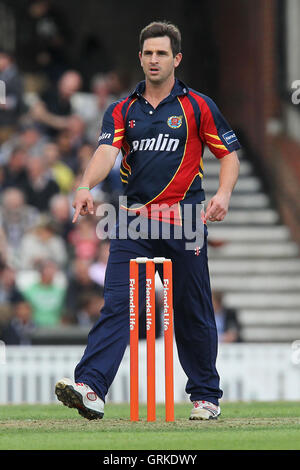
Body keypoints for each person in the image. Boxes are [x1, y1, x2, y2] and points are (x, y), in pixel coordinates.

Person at [55, 21, 240, 421]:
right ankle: (90, 388)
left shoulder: (198, 106)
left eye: (162, 53)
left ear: (176, 59)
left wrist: (223, 195)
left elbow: (228, 156)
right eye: (148, 53)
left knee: (191, 309)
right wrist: (85, 185)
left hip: (185, 219)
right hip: (132, 222)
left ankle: (206, 396)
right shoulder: (122, 109)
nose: (154, 60)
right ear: (139, 58)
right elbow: (106, 153)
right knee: (117, 304)